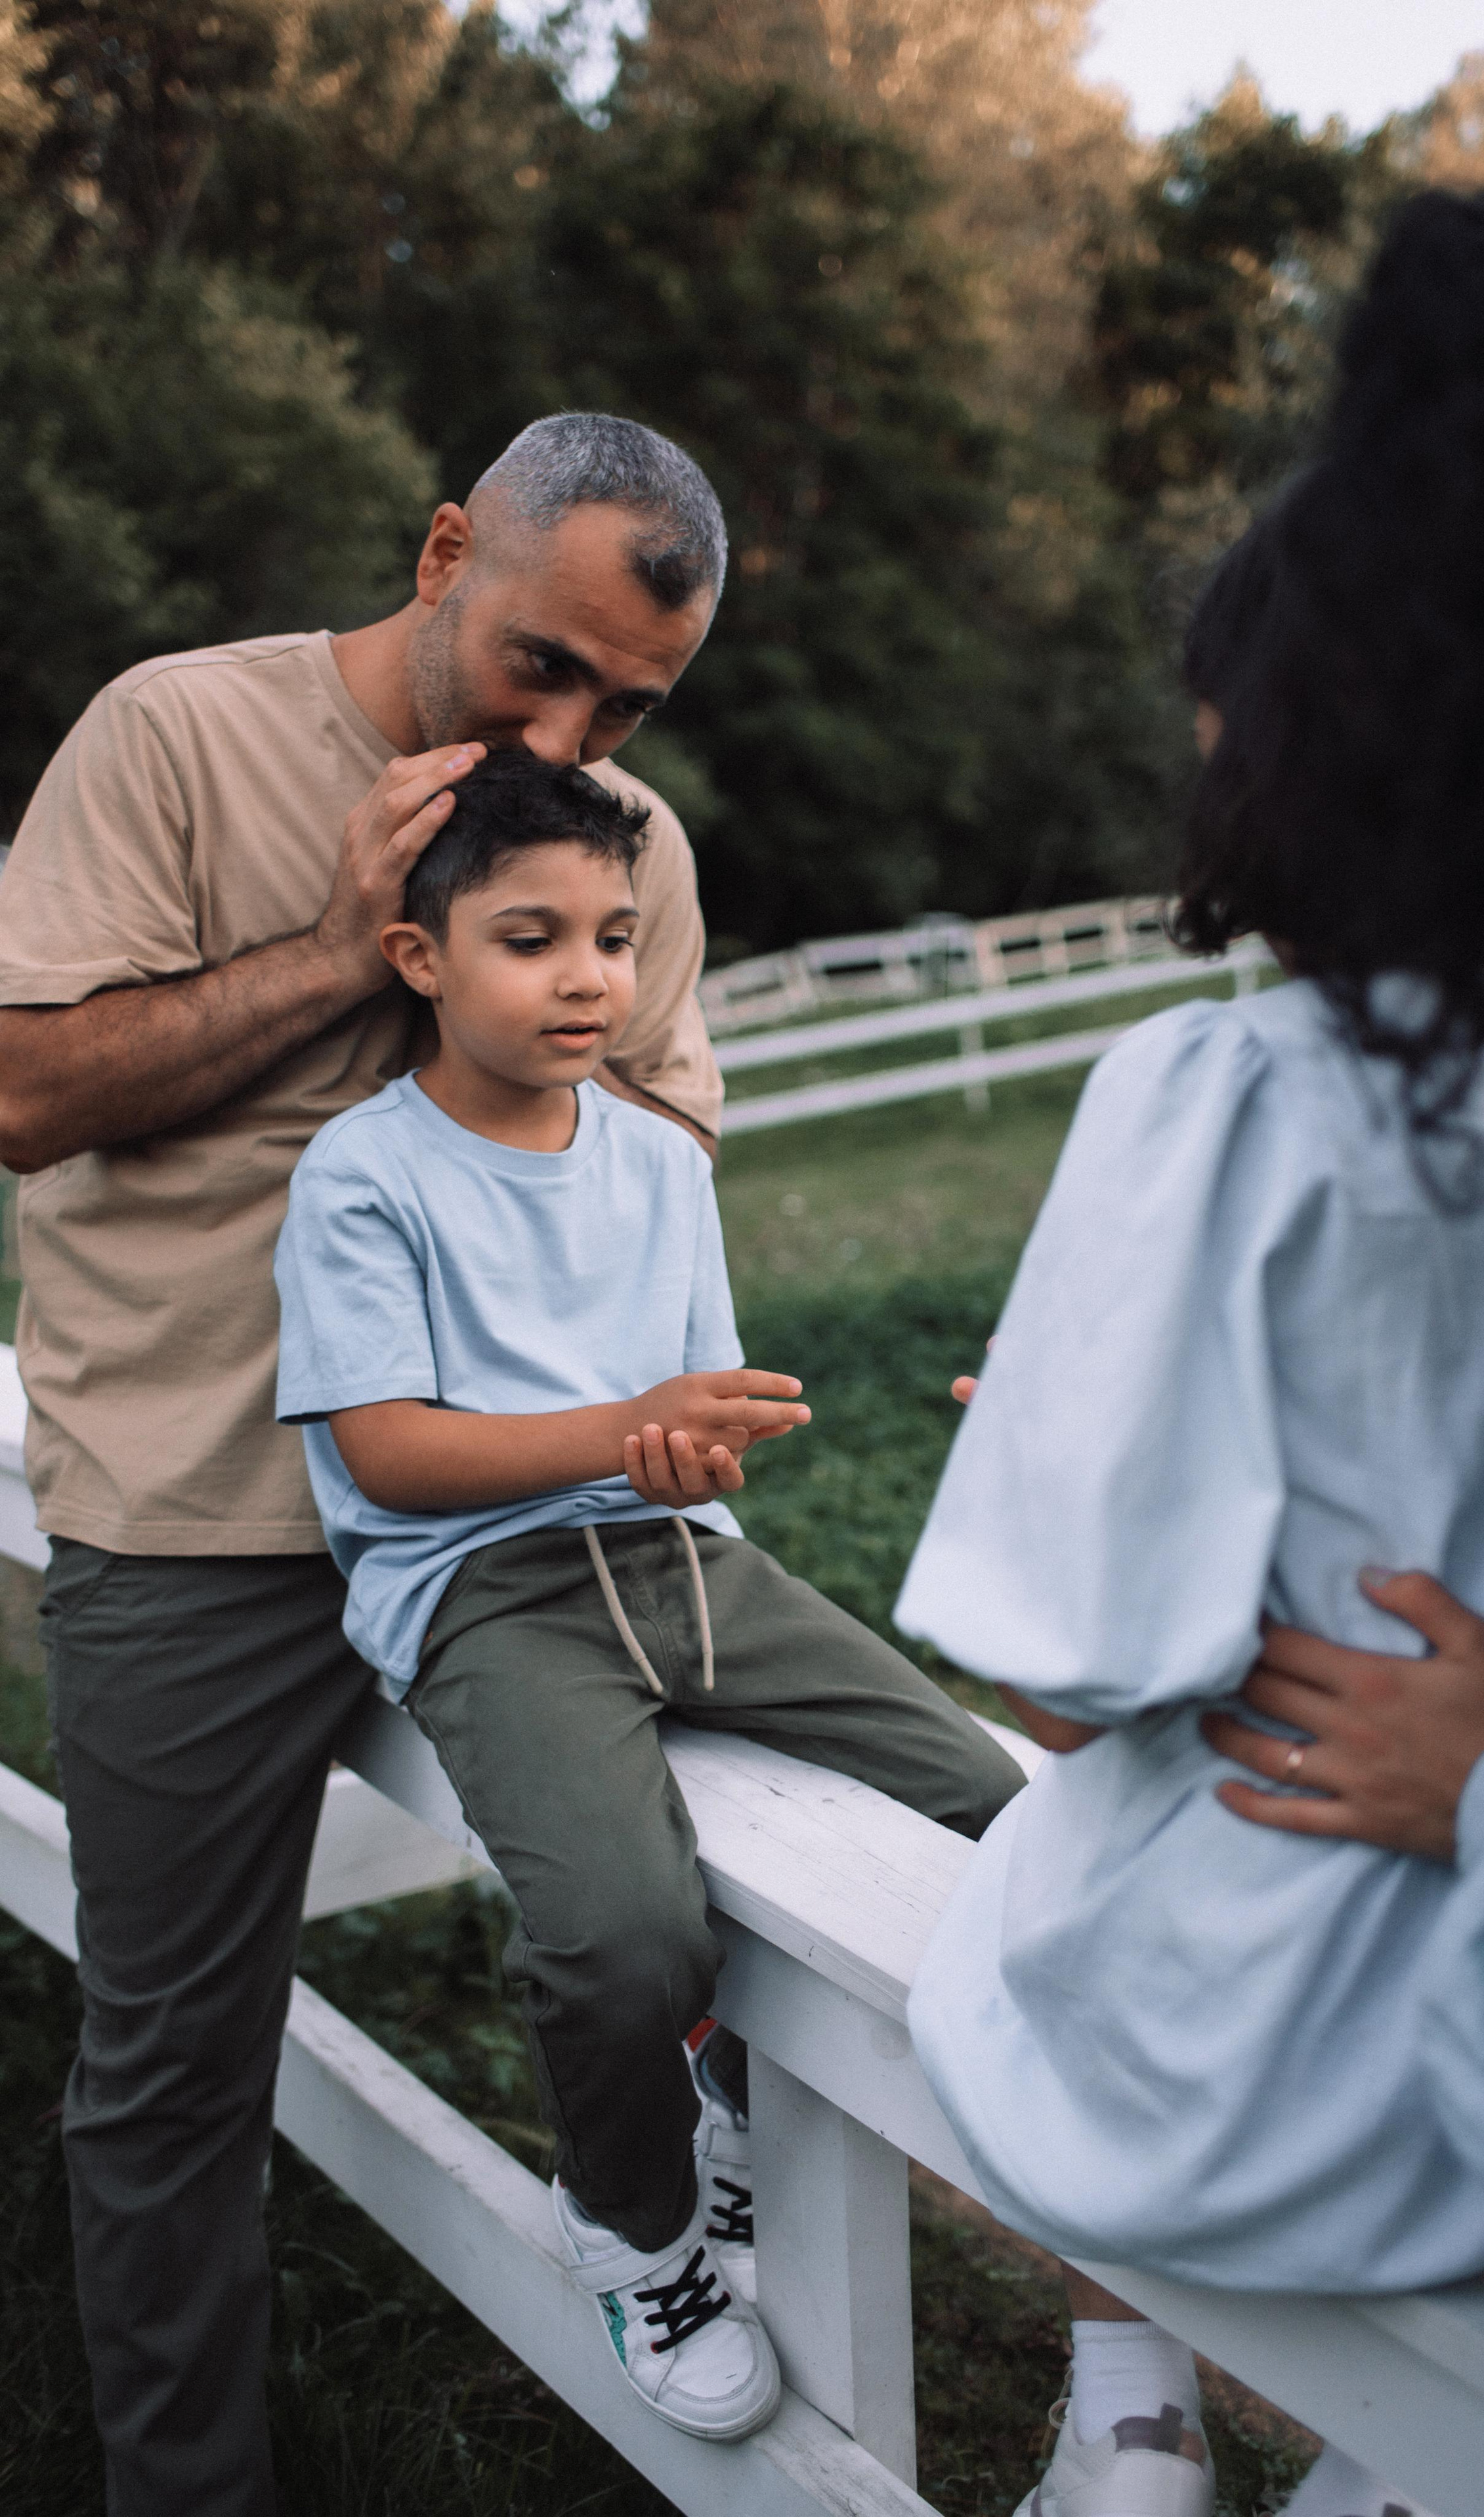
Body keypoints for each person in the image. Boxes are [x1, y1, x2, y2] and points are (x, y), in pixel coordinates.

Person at [896, 129, 1484, 2517]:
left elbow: (1065, 1661)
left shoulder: (1238, 1083)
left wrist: (1083, 1456)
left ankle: (1128, 2416)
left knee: (1021, 1867)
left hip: (1274, 2087)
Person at [0, 412, 736, 2516]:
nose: (578, 735)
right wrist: (346, 955)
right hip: (199, 1519)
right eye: (545, 664)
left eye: (633, 704)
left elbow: (666, 1156)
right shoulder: (172, 735)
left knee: (713, 1894)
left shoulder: (630, 848)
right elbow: (26, 1087)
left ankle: (699, 2230)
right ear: (442, 552)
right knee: (169, 2073)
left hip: (523, 1524)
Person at [272, 747, 1025, 2442]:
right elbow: (386, 1450)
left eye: (612, 937)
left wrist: (687, 1452)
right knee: (623, 1930)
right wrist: (622, 1430)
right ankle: (636, 2219)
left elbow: (681, 1405)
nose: (586, 976)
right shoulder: (364, 1175)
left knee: (988, 1797)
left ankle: (738, 2093)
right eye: (530, 936)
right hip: (486, 1593)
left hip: (685, 1567)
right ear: (422, 957)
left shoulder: (659, 1164)